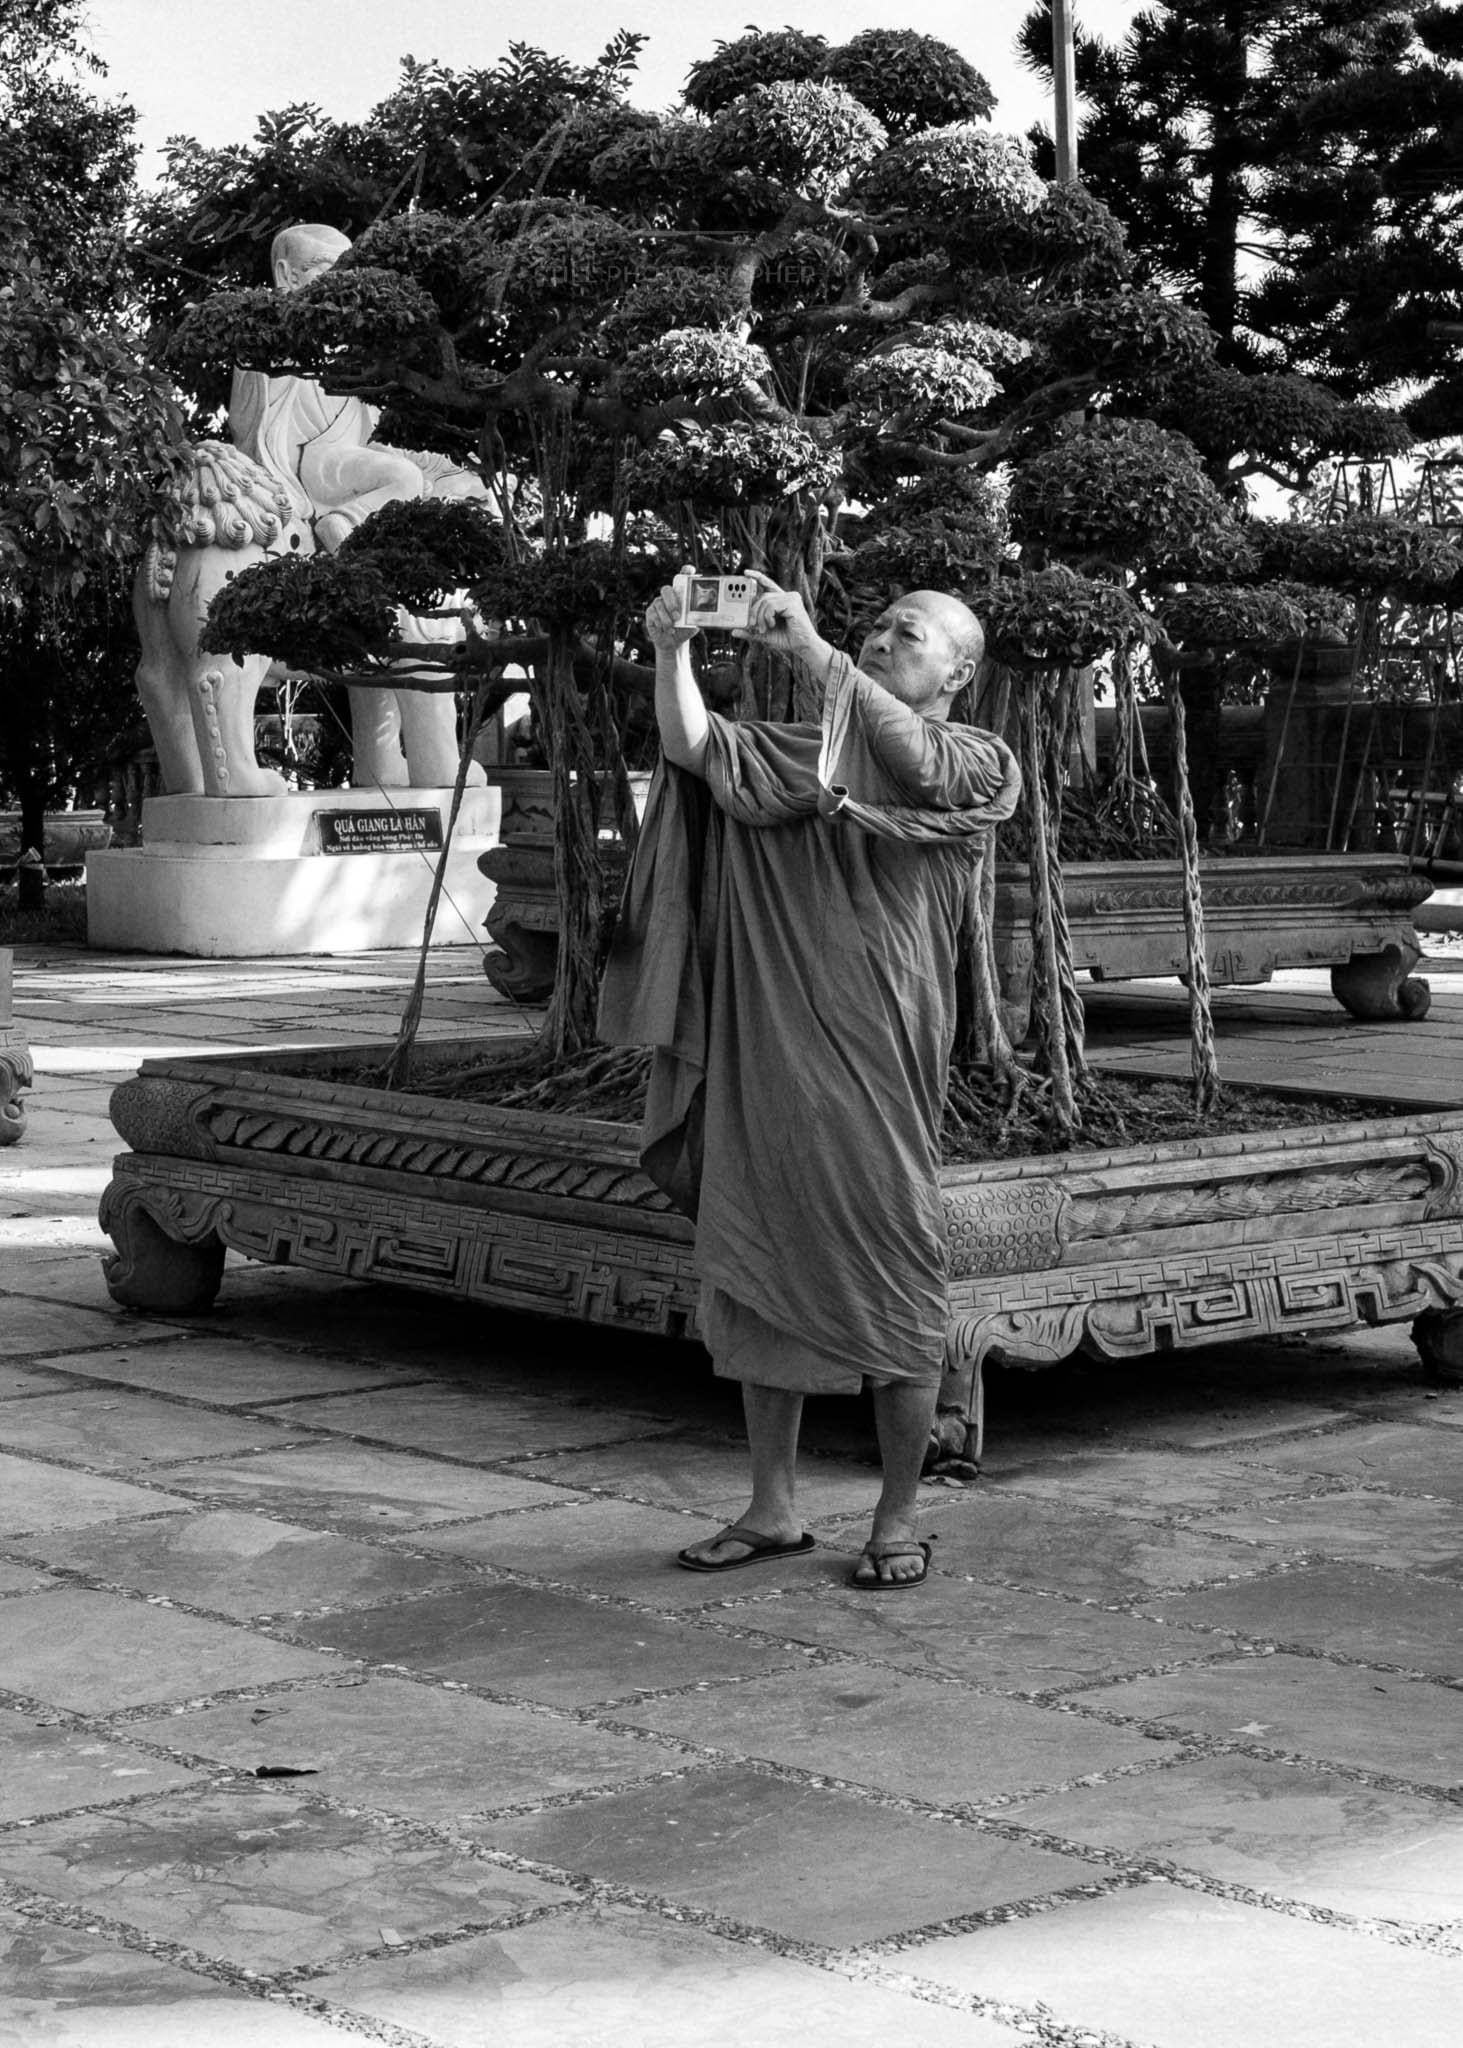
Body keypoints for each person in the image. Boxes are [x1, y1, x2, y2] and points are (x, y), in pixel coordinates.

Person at [598, 570, 1021, 1588]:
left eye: (905, 634)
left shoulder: (974, 759)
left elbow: (910, 761)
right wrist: (668, 653)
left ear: (955, 671)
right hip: (767, 1047)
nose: (881, 639)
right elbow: (695, 749)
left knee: (897, 1276)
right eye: (877, 625)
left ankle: (895, 1515)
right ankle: (770, 1505)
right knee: (757, 1265)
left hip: (876, 1058)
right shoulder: (799, 751)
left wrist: (809, 649)